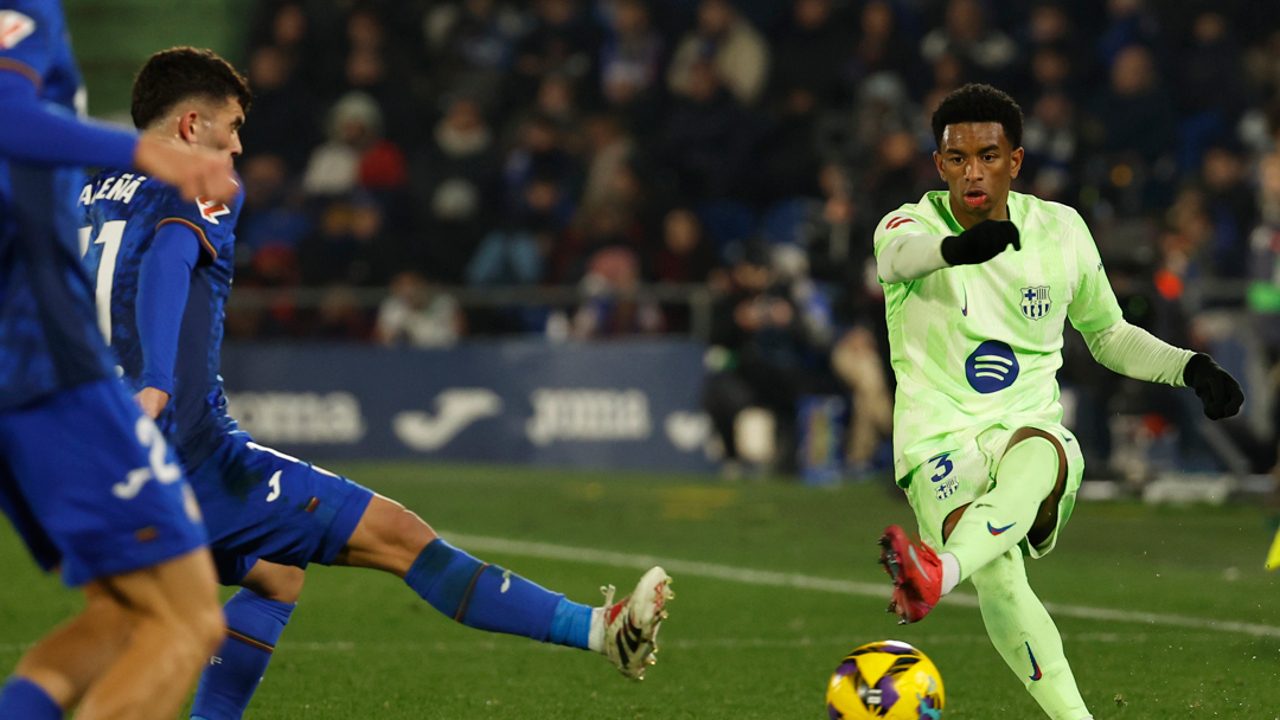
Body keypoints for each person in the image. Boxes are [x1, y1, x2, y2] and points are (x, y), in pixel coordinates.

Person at [79, 47, 674, 720]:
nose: (239, 146)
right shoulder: (202, 179)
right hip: (188, 452)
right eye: (232, 125)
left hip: (101, 451)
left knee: (275, 575)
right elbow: (170, 256)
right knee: (401, 537)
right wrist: (155, 382)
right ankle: (602, 632)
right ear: (191, 126)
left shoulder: (86, 188)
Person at [873, 84, 1243, 720]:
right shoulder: (909, 224)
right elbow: (899, 258)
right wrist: (958, 249)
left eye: (988, 155)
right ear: (939, 165)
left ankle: (938, 573)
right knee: (1001, 577)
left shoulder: (1060, 230)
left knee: (1042, 446)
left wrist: (1189, 367)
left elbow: (1108, 335)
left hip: (1023, 433)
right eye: (956, 158)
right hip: (937, 444)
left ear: (1015, 162)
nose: (973, 171)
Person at [0, 3, 239, 719]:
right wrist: (152, 153)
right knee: (185, 619)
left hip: (23, 366)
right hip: (45, 359)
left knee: (119, 615)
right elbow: (8, 121)